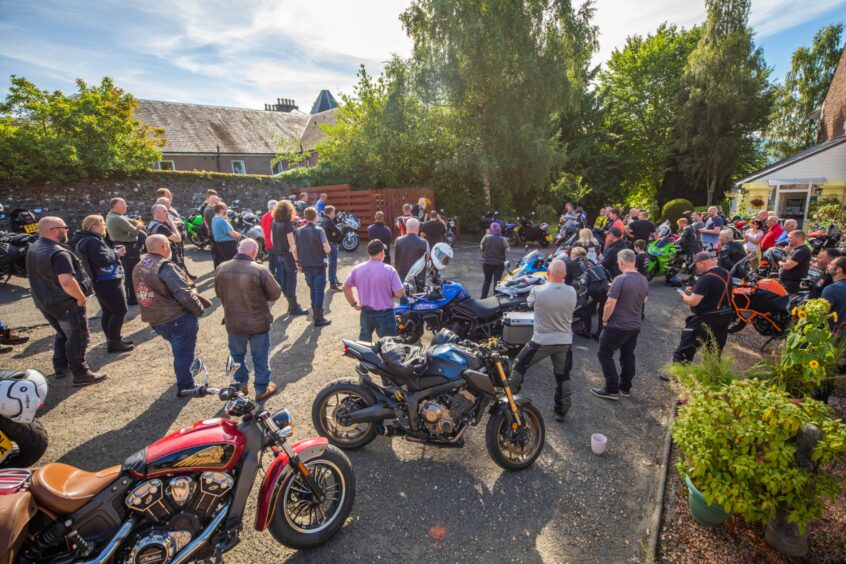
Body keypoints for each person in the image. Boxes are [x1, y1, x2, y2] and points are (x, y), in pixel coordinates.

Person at [26, 217, 105, 386]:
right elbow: (67, 281)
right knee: (78, 336)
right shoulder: (58, 253)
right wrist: (80, 298)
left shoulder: (34, 247)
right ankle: (81, 373)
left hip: (45, 302)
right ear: (54, 230)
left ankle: (60, 366)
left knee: (63, 333)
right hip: (65, 303)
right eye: (65, 227)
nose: (67, 230)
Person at [134, 234, 210, 395]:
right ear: (163, 247)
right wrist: (199, 310)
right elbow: (183, 293)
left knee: (180, 350)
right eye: (169, 244)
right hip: (176, 317)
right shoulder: (165, 266)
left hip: (155, 318)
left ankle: (185, 374)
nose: (170, 247)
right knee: (183, 353)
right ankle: (186, 386)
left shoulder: (139, 265)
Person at [506, 259, 575, 422]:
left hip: (541, 340)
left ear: (548, 273)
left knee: (520, 364)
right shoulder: (572, 291)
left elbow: (529, 304)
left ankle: (508, 401)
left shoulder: (537, 291)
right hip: (564, 341)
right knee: (563, 376)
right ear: (565, 274)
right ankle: (561, 412)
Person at [214, 238, 282, 400]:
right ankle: (261, 388)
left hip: (234, 322)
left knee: (237, 356)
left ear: (238, 249)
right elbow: (275, 293)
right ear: (254, 252)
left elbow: (218, 292)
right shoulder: (259, 269)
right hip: (257, 322)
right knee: (260, 357)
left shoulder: (221, 268)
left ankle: (240, 385)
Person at [592, 249, 649, 400]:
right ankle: (625, 387)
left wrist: (604, 320)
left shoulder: (620, 279)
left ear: (622, 262)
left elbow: (610, 303)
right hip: (634, 325)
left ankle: (611, 389)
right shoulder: (643, 279)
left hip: (617, 326)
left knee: (604, 354)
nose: (617, 264)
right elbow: (644, 300)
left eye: (618, 261)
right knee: (628, 355)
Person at [74, 214, 133, 353]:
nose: (104, 228)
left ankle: (113, 340)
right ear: (95, 227)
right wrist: (117, 253)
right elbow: (103, 260)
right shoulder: (91, 241)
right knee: (119, 310)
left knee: (108, 311)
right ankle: (114, 342)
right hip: (107, 281)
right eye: (102, 225)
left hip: (101, 281)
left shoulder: (85, 240)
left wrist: (113, 252)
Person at [672, 252, 733, 363]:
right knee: (714, 350)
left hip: (706, 318)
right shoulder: (727, 273)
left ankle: (676, 374)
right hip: (725, 316)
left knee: (687, 347)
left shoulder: (706, 279)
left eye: (696, 265)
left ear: (702, 263)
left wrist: (684, 296)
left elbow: (693, 302)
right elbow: (716, 292)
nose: (696, 268)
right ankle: (712, 375)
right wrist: (695, 291)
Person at [344, 240, 405, 340]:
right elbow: (399, 294)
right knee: (389, 344)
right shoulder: (389, 270)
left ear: (369, 252)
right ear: (381, 253)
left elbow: (346, 287)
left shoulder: (357, 268)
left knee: (364, 343)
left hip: (365, 312)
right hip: (385, 314)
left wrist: (354, 304)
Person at [296, 207, 332, 327]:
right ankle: (319, 317)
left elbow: (296, 248)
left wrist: (298, 262)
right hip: (318, 264)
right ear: (315, 216)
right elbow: (327, 248)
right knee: (319, 290)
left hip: (306, 263)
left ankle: (315, 313)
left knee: (312, 289)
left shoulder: (299, 230)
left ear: (305, 217)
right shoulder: (319, 230)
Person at [271, 200, 308, 316]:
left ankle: (291, 304)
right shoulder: (287, 225)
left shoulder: (274, 222)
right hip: (288, 256)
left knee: (284, 279)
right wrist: (297, 260)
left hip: (279, 254)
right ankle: (294, 307)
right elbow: (293, 246)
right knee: (291, 280)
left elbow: (272, 239)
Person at [105, 197, 143, 305]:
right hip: (128, 247)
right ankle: (132, 298)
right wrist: (138, 226)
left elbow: (134, 221)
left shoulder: (115, 215)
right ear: (116, 206)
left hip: (124, 245)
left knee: (130, 271)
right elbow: (135, 232)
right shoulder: (117, 218)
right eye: (123, 204)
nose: (126, 206)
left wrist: (137, 224)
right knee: (132, 272)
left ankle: (133, 296)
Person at [156, 188, 194, 279]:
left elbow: (176, 217)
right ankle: (181, 276)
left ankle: (185, 273)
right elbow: (165, 221)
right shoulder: (159, 208)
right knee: (175, 259)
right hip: (172, 237)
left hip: (178, 235)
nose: (171, 197)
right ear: (162, 196)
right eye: (169, 195)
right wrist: (177, 223)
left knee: (180, 257)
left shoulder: (170, 207)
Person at [480, 222, 509, 298]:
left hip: (487, 263)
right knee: (497, 282)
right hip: (499, 264)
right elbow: (508, 250)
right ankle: (496, 298)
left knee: (487, 281)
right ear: (499, 230)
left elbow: (481, 247)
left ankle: (483, 298)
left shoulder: (486, 237)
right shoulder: (503, 239)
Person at [319, 205, 343, 291]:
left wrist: (335, 232)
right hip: (332, 244)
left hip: (329, 243)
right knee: (332, 264)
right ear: (330, 212)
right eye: (334, 212)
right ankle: (332, 284)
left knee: (332, 263)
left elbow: (336, 231)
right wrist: (335, 232)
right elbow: (338, 231)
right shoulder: (328, 221)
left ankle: (334, 281)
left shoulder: (324, 219)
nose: (334, 213)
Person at [211, 202, 241, 266]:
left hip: (220, 245)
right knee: (231, 264)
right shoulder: (221, 220)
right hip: (228, 245)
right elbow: (232, 233)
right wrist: (238, 235)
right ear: (221, 210)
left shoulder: (214, 219)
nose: (227, 211)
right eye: (226, 209)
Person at [822, 256, 846, 335]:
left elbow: (821, 314)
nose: (828, 265)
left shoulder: (832, 289)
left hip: (830, 335)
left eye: (831, 264)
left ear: (839, 269)